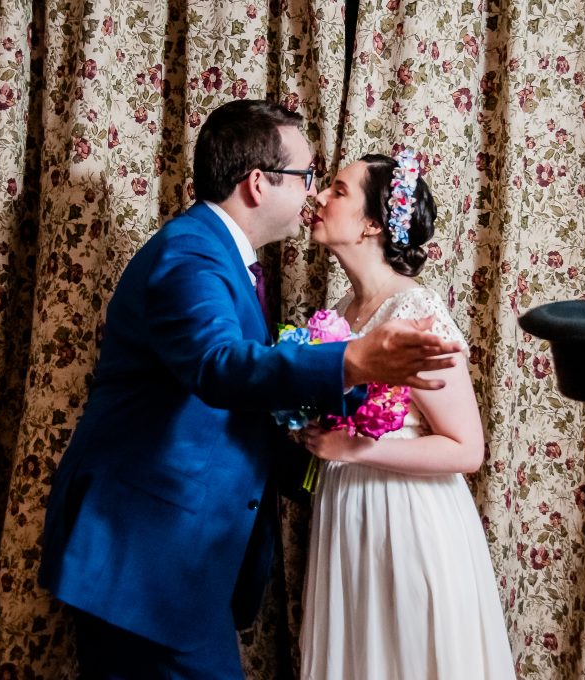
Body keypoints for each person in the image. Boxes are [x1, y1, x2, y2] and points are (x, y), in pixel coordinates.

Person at [38, 101, 462, 680]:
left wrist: (330, 453)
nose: (313, 193)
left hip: (176, 557)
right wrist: (354, 362)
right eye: (307, 176)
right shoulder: (191, 255)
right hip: (144, 559)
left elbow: (243, 399)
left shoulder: (225, 260)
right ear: (259, 183)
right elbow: (218, 367)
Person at [300, 150, 516, 679]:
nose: (319, 197)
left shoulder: (417, 313)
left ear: (373, 223)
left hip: (406, 520)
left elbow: (466, 449)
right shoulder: (341, 311)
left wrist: (356, 448)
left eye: (338, 190)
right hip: (347, 514)